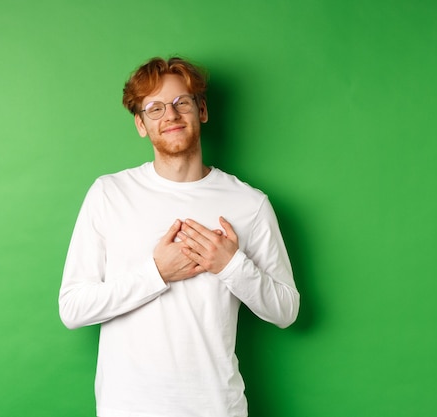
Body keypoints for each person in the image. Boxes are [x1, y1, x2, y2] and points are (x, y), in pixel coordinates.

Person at [59, 56, 300, 417]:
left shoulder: (249, 203)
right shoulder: (109, 194)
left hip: (217, 407)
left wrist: (231, 265)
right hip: (127, 408)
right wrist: (156, 273)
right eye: (154, 108)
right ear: (141, 124)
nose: (170, 115)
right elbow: (73, 308)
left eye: (180, 102)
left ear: (200, 110)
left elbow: (287, 310)